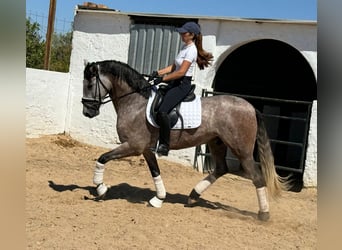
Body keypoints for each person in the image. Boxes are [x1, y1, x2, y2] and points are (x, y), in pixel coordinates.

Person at [151, 21, 213, 156]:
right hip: (175, 82)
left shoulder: (192, 50)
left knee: (162, 111)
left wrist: (163, 79)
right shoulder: (185, 47)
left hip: (182, 85)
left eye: (184, 33)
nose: (181, 34)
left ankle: (164, 145)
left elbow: (181, 72)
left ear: (191, 35)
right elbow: (174, 67)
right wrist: (158, 72)